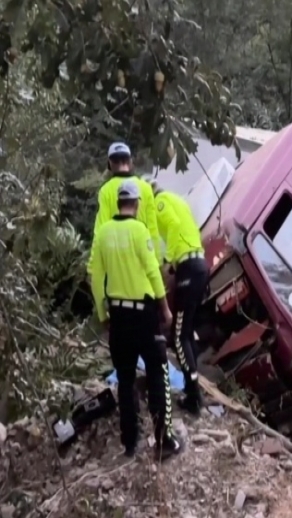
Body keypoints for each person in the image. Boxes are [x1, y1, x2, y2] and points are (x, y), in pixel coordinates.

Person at [90, 179, 184, 460]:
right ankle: (164, 440)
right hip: (143, 314)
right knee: (158, 372)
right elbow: (154, 273)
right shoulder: (140, 231)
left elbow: (96, 279)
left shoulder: (103, 234)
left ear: (119, 204)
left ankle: (130, 444)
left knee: (125, 379)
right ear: (137, 204)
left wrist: (102, 313)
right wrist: (165, 308)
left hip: (117, 316)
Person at [150, 179, 207, 415]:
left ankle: (193, 395)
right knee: (187, 331)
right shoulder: (178, 201)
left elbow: (172, 227)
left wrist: (167, 263)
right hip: (199, 265)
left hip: (188, 268)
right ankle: (194, 387)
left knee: (179, 334)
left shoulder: (161, 202)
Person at [89, 142, 163, 274]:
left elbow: (99, 232)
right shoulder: (145, 189)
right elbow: (153, 231)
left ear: (110, 164)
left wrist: (94, 266)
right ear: (130, 161)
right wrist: (157, 263)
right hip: (143, 262)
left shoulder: (105, 191)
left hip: (117, 265)